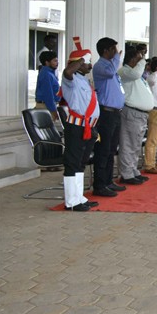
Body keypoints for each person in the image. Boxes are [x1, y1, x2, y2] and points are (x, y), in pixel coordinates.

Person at [59, 37, 99, 211]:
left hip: (88, 126)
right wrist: (82, 58)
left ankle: (79, 197)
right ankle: (71, 202)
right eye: (87, 63)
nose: (90, 66)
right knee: (73, 162)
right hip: (76, 125)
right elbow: (67, 72)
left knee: (81, 162)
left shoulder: (84, 79)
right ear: (78, 63)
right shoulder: (71, 78)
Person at [92, 37, 127, 197]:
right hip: (105, 113)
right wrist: (117, 59)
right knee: (103, 149)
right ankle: (99, 185)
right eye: (113, 49)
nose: (116, 53)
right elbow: (111, 72)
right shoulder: (100, 66)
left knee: (112, 149)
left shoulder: (112, 67)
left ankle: (108, 181)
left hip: (115, 113)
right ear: (106, 51)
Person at [118, 45, 153, 185]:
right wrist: (142, 60)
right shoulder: (125, 71)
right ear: (132, 59)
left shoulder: (135, 73)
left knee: (136, 145)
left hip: (140, 115)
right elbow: (136, 74)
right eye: (138, 59)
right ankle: (126, 174)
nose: (141, 62)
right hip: (132, 112)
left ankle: (133, 171)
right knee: (128, 144)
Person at [35, 51, 60, 120]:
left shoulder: (50, 73)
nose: (57, 63)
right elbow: (48, 95)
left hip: (48, 106)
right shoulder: (46, 74)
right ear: (47, 62)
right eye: (54, 61)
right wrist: (54, 111)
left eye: (57, 61)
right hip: (46, 107)